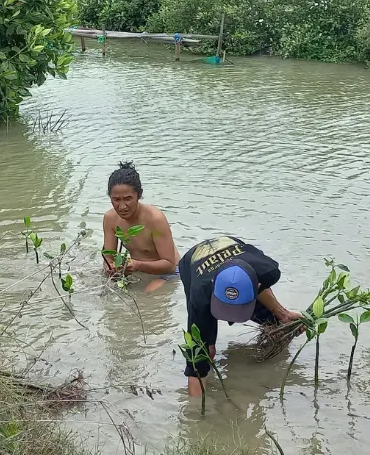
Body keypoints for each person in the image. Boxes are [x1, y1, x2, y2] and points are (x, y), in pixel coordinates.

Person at [179, 236, 302, 396]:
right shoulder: (200, 294)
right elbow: (194, 368)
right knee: (205, 351)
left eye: (238, 309)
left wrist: (283, 314)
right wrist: (198, 414)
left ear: (258, 286)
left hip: (234, 250)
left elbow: (258, 284)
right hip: (193, 263)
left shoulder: (269, 272)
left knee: (276, 325)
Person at [102, 161, 179, 293]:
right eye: (116, 199)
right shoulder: (110, 219)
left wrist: (138, 265)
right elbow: (109, 256)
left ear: (139, 195)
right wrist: (110, 267)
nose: (122, 206)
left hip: (169, 273)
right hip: (135, 269)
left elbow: (170, 265)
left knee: (146, 295)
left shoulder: (155, 219)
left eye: (128, 198)